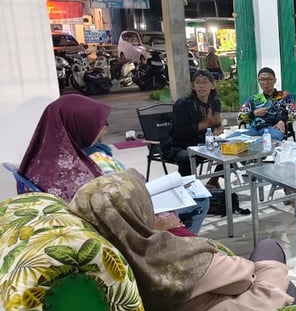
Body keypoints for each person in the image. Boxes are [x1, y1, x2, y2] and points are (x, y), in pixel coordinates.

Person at [70, 169, 296, 311]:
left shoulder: (105, 256)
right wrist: (173, 235)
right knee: (271, 251)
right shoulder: (165, 256)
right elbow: (243, 279)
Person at [18, 95, 208, 234]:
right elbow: (111, 207)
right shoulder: (74, 171)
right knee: (199, 199)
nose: (102, 128)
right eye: (94, 124)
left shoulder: (45, 160)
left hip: (113, 211)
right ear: (76, 126)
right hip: (119, 224)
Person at [166, 70, 223, 177]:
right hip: (181, 146)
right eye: (198, 82)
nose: (201, 86)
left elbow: (216, 124)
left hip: (206, 143)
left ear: (212, 85)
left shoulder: (215, 102)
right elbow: (179, 132)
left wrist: (218, 128)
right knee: (186, 158)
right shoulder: (182, 104)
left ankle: (213, 181)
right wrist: (206, 124)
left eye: (205, 82)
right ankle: (187, 187)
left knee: (233, 150)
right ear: (193, 86)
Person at [238, 67, 296, 141]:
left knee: (271, 139)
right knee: (231, 138)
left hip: (273, 128)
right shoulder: (254, 99)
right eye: (262, 79)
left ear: (275, 80)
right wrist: (254, 113)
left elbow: (294, 115)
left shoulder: (285, 96)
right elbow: (240, 116)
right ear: (258, 81)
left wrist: (282, 120)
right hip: (254, 129)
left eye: (269, 79)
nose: (265, 82)